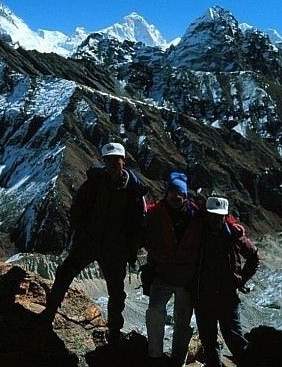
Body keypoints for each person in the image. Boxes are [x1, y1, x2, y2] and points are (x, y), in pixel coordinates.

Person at [39, 142, 148, 343]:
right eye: (108, 160)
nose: (112, 164)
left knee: (116, 292)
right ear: (104, 162)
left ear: (124, 160)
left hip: (115, 248)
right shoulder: (95, 182)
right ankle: (50, 312)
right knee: (65, 272)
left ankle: (114, 332)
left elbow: (139, 222)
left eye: (116, 160)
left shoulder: (134, 189)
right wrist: (82, 231)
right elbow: (78, 207)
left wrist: (130, 248)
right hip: (91, 241)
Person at [145, 174, 245, 365]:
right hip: (162, 274)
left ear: (185, 194)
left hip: (187, 278)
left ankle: (177, 360)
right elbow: (140, 215)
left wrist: (232, 225)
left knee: (182, 321)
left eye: (180, 192)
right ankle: (154, 356)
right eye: (173, 192)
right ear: (167, 193)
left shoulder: (196, 214)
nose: (176, 196)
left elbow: (218, 217)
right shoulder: (156, 212)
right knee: (154, 311)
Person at [195, 196, 259, 367]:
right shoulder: (197, 233)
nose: (215, 219)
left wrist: (241, 279)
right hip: (203, 296)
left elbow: (253, 256)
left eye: (219, 216)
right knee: (209, 342)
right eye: (212, 215)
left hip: (227, 297)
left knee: (235, 340)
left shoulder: (234, 235)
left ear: (225, 215)